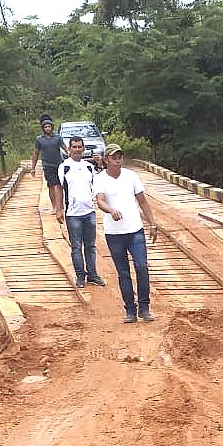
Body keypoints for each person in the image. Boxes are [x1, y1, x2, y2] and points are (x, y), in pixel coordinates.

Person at [93, 144, 159, 323]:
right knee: (123, 272)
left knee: (142, 267)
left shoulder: (132, 176)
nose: (118, 160)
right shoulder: (100, 179)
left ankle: (144, 307)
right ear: (106, 160)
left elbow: (143, 202)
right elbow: (100, 201)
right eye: (114, 157)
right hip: (114, 234)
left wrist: (152, 223)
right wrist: (111, 210)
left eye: (120, 157)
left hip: (135, 230)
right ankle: (130, 309)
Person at [56, 137, 106, 288]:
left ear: (83, 149)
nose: (77, 149)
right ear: (69, 149)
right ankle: (80, 276)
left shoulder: (89, 167)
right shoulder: (64, 167)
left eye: (79, 147)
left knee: (90, 245)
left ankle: (93, 274)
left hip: (89, 211)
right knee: (76, 246)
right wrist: (59, 209)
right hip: (73, 213)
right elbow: (59, 188)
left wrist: (100, 164)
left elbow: (100, 183)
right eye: (74, 147)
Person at [31, 116, 65, 209]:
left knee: (59, 185)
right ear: (43, 129)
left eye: (49, 126)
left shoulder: (58, 138)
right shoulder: (39, 139)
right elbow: (36, 153)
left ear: (52, 127)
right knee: (51, 186)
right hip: (47, 165)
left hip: (59, 164)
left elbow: (65, 149)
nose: (48, 128)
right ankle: (54, 206)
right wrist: (33, 168)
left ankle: (60, 205)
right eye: (45, 127)